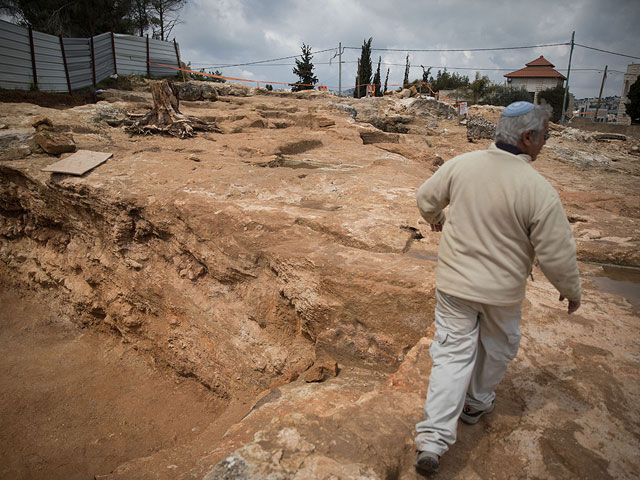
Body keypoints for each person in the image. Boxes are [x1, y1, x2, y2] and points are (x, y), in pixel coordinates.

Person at [413, 101, 581, 475]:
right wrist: (571, 289)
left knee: (451, 355)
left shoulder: (462, 165)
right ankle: (476, 402)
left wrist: (437, 218)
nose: (545, 143)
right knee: (499, 346)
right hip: (502, 294)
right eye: (545, 137)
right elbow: (556, 251)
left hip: (455, 286)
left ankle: (432, 442)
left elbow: (426, 199)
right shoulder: (537, 189)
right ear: (528, 137)